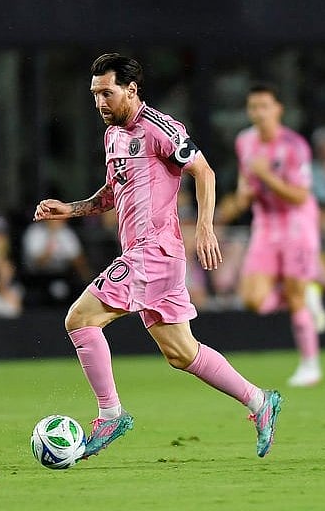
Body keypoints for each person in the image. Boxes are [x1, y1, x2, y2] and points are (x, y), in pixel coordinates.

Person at [33, 53, 282, 460]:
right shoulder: (113, 135)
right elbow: (113, 194)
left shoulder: (159, 128)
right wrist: (71, 209)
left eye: (107, 93)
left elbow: (205, 172)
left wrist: (204, 227)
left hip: (155, 251)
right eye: (95, 95)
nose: (99, 103)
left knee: (79, 319)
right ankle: (259, 401)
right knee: (181, 352)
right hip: (145, 253)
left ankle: (110, 414)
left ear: (131, 90)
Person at [218, 83, 325, 387]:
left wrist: (266, 175)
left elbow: (301, 196)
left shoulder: (294, 146)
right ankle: (304, 294)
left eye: (264, 106)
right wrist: (241, 196)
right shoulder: (245, 141)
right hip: (266, 224)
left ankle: (310, 365)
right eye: (253, 107)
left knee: (294, 299)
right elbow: (244, 178)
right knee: (252, 299)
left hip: (296, 223)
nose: (258, 113)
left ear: (278, 109)